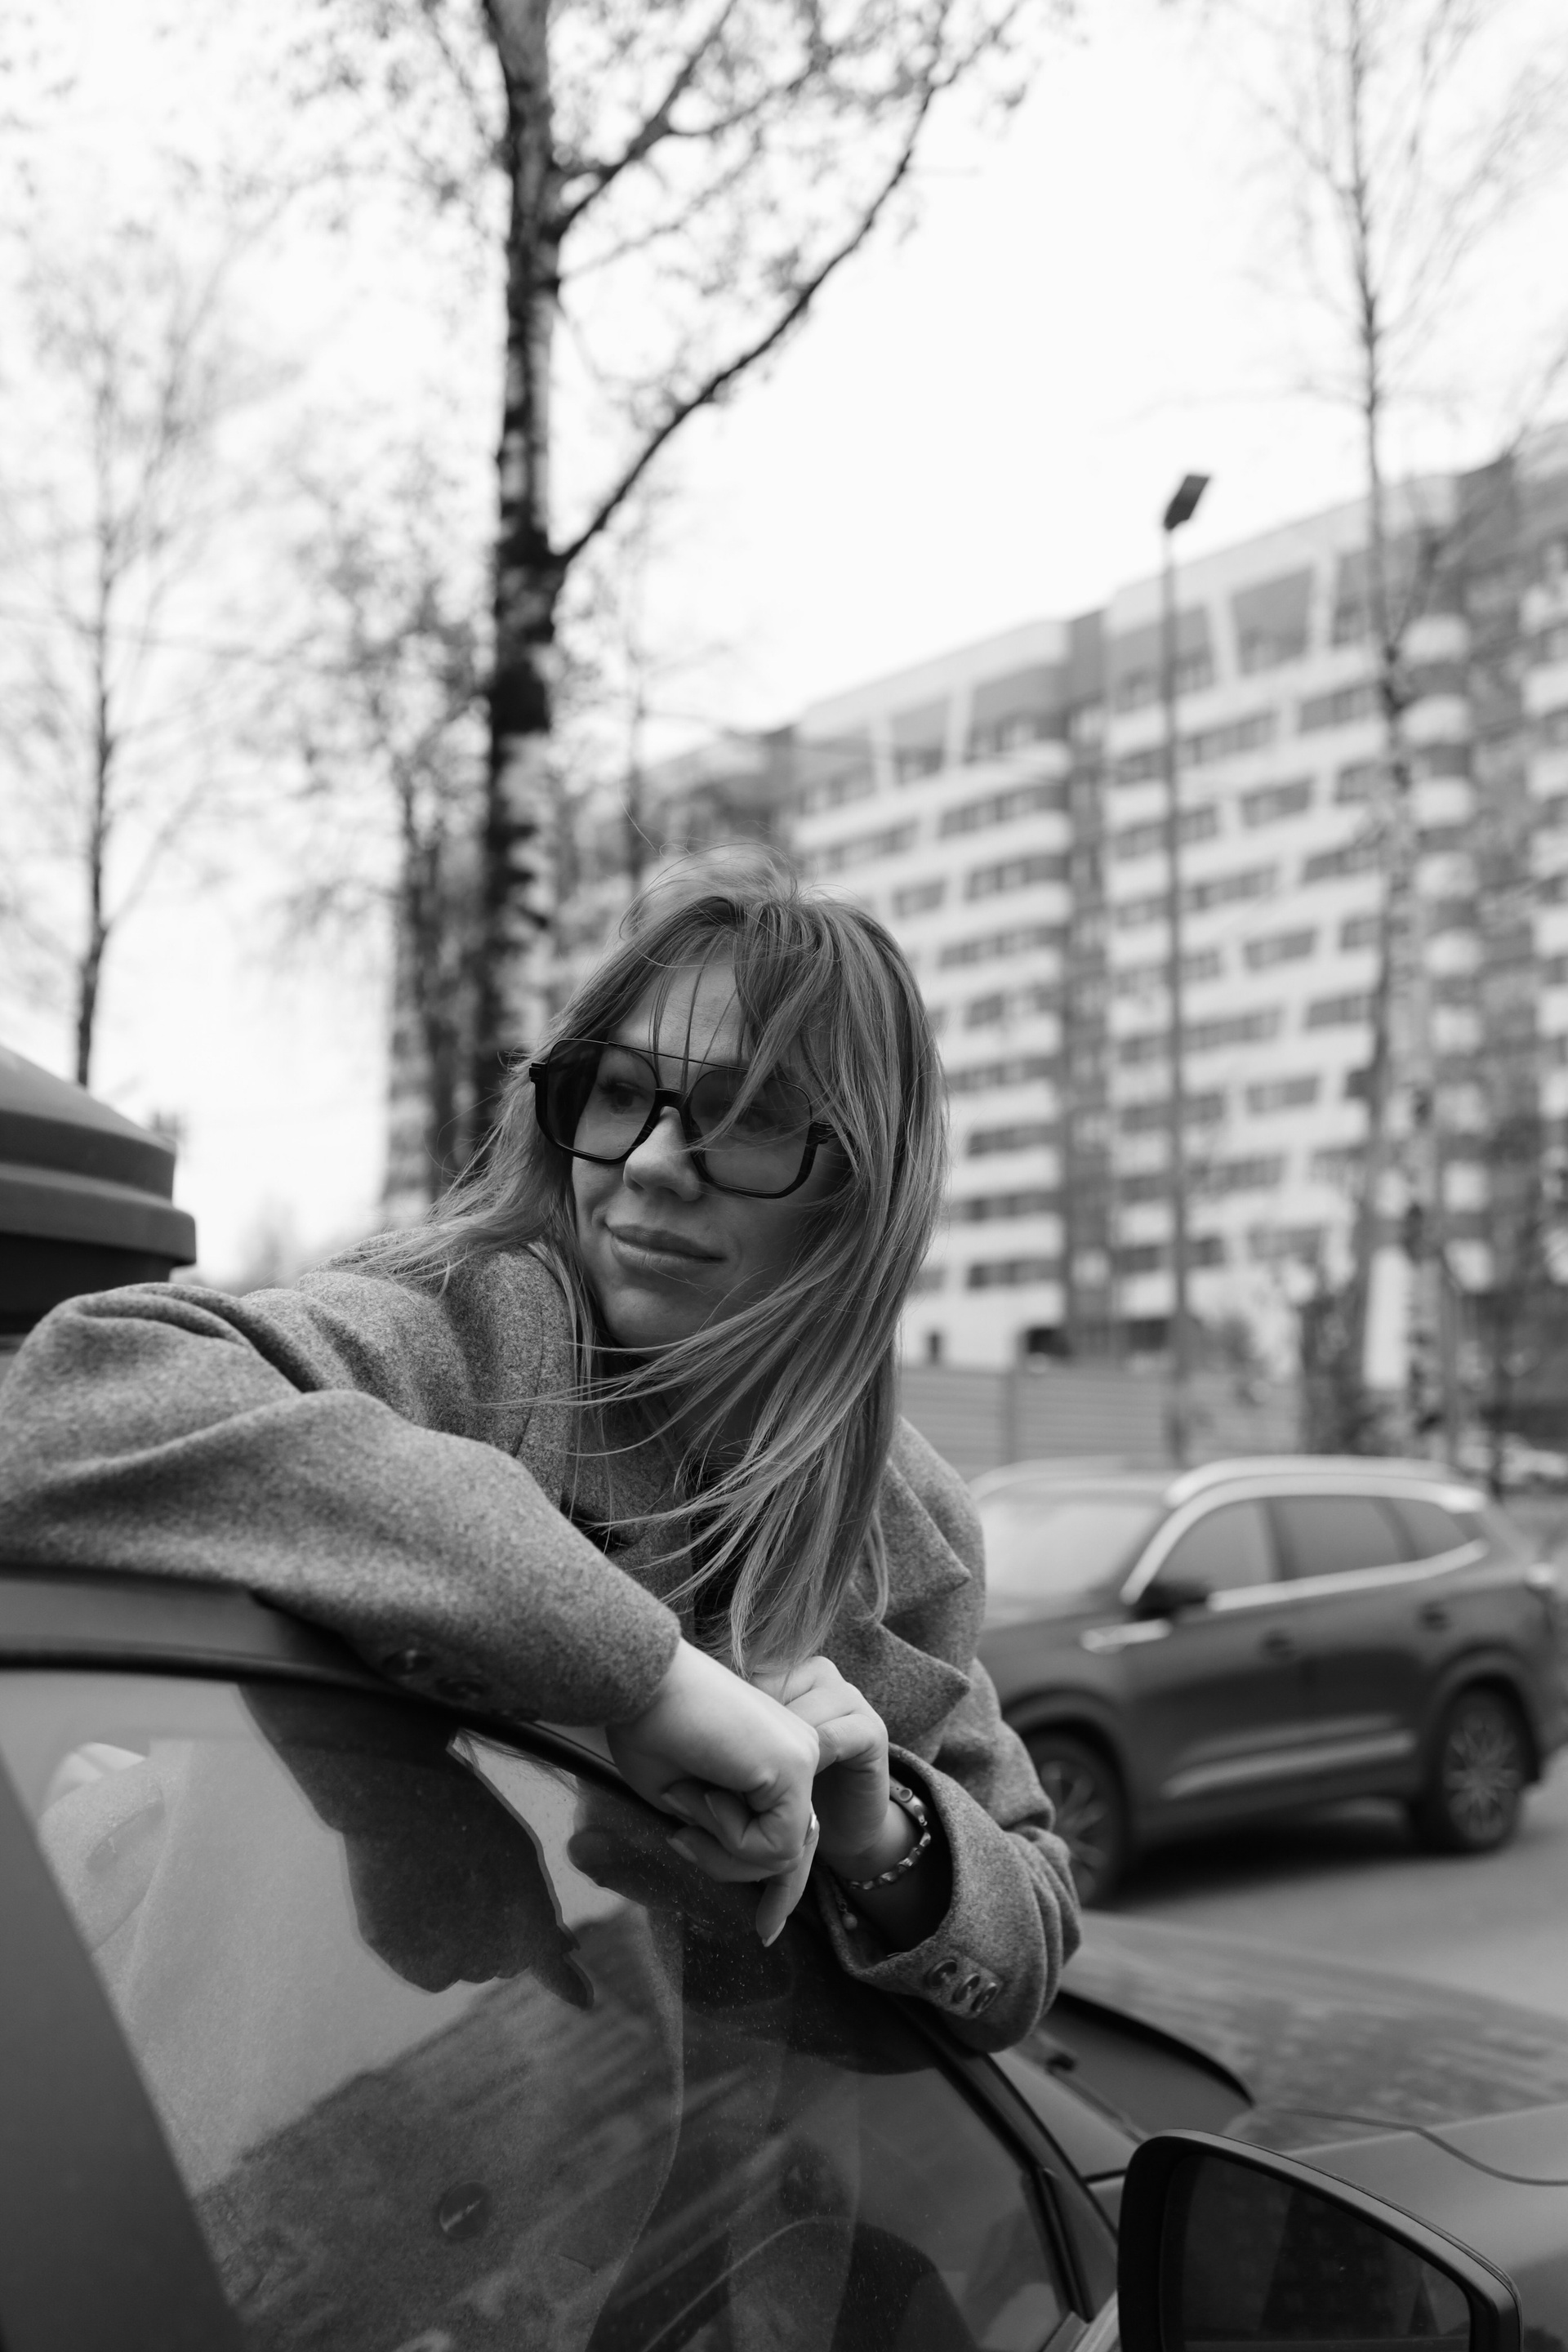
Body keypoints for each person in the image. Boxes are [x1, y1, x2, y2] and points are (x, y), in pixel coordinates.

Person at [0, 863, 1077, 2047]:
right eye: (621, 1092)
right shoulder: (469, 1327)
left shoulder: (906, 1522)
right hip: (267, 2120)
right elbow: (68, 1403)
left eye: (751, 1116)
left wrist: (881, 1837)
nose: (652, 1162)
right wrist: (641, 1674)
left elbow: (1031, 1926)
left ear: (865, 1185)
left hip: (698, 2159)